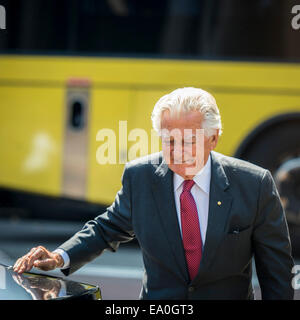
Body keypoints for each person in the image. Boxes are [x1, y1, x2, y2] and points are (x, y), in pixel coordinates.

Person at [13, 87, 294, 299]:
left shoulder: (254, 184)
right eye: (169, 141)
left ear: (213, 138)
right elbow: (106, 229)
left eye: (188, 141)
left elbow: (276, 272)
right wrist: (59, 257)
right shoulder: (140, 177)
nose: (178, 152)